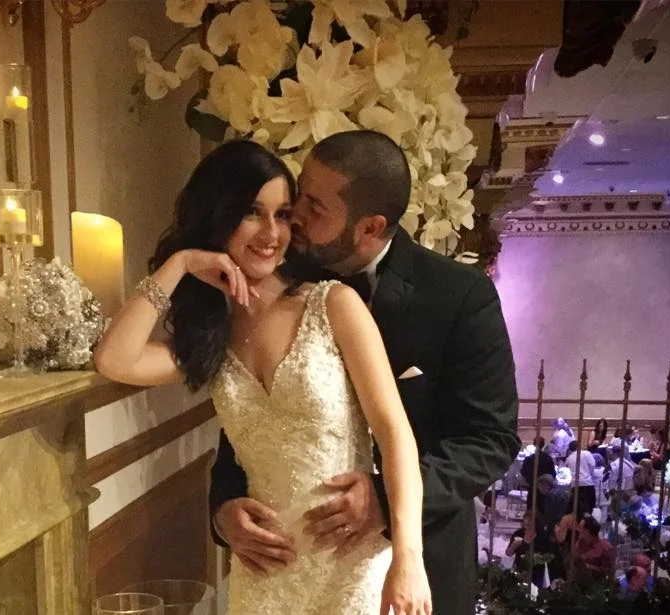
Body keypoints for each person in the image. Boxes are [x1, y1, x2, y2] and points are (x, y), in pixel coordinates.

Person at [93, 140, 430, 614]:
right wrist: (181, 264)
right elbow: (115, 360)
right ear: (219, 216)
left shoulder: (332, 305)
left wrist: (409, 557)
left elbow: (395, 434)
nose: (273, 232)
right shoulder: (209, 336)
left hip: (351, 573)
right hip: (265, 578)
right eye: (253, 212)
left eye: (283, 213)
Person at [209, 130, 520, 615]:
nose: (295, 217)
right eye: (299, 195)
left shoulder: (458, 296)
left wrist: (382, 500)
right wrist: (223, 508)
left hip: (418, 565)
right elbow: (253, 415)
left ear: (370, 226)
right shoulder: (273, 279)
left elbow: (488, 439)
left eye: (314, 206)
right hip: (284, 566)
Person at [574, 516, 616, 583]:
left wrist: (589, 567)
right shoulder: (579, 543)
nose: (578, 529)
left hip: (595, 588)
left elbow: (608, 572)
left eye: (580, 527)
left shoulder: (606, 549)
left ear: (587, 531)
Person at [564, 440, 597, 515]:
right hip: (587, 483)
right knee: (589, 507)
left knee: (578, 508)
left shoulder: (569, 458)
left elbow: (566, 469)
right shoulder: (586, 453)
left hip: (575, 485)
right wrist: (589, 474)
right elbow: (592, 465)